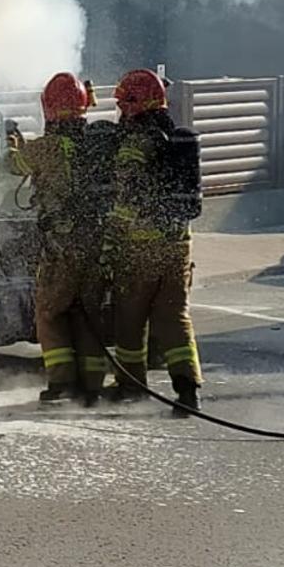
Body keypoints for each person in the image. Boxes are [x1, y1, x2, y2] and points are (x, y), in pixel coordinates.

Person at [103, 68, 205, 415]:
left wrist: (110, 240)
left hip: (141, 248)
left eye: (123, 103)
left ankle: (131, 387)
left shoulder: (136, 144)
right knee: (175, 317)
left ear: (135, 104)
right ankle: (188, 389)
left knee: (130, 320)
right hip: (178, 247)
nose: (120, 111)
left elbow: (127, 197)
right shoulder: (176, 139)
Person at [7, 72, 112, 406]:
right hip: (96, 245)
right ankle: (92, 384)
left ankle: (62, 384)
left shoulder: (45, 148)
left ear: (49, 109)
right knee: (88, 313)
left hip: (62, 248)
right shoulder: (98, 144)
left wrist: (12, 141)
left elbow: (13, 165)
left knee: (50, 313)